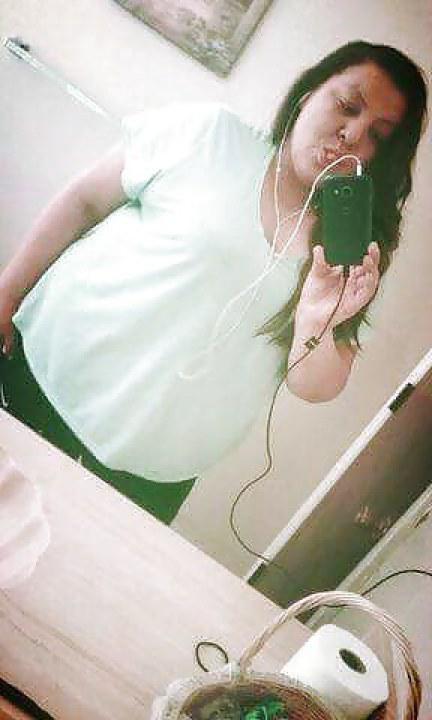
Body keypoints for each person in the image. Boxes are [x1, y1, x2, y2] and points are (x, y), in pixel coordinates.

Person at [0, 41, 427, 525]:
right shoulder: (211, 134)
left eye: (378, 136)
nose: (351, 134)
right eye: (347, 106)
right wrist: (8, 293)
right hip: (45, 373)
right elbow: (86, 200)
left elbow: (313, 385)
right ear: (309, 93)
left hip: (154, 468)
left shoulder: (350, 251)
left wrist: (317, 323)